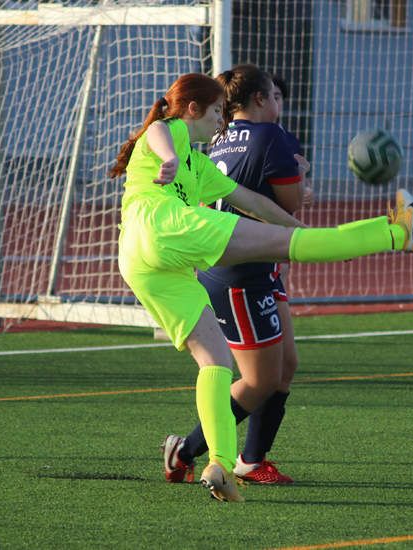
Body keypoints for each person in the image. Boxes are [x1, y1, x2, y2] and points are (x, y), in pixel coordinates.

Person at [111, 72, 413, 501]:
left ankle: (220, 464)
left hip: (142, 263)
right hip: (166, 229)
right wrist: (167, 159)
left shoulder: (200, 165)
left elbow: (255, 202)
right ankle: (395, 233)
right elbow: (161, 135)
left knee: (215, 360)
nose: (221, 121)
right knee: (287, 249)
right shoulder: (169, 133)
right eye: (217, 111)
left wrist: (309, 235)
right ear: (191, 109)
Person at [162, 67, 315, 486]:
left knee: (285, 366)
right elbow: (290, 207)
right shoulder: (274, 139)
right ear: (261, 100)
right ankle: (188, 449)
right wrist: (301, 178)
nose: (281, 105)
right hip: (240, 273)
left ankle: (252, 458)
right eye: (276, 97)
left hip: (245, 265)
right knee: (260, 379)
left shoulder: (218, 138)